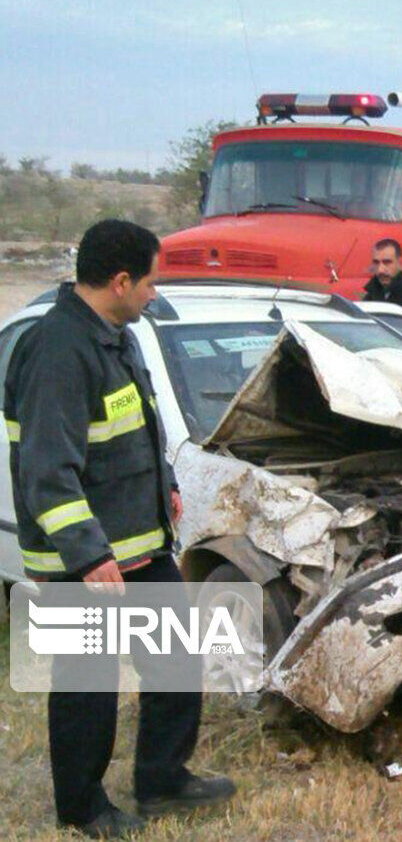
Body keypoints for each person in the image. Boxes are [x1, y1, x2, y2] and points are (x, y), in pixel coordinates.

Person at [4, 220, 235, 837]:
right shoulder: (57, 352)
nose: (155, 295)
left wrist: (169, 488)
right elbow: (47, 472)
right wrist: (85, 556)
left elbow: (133, 428)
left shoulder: (116, 336)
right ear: (121, 280)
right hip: (87, 564)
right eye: (151, 282)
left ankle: (162, 780)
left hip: (140, 549)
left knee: (177, 662)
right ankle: (81, 806)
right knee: (86, 687)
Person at [361, 238, 402, 309]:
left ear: (400, 262)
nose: (380, 270)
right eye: (376, 263)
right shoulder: (370, 297)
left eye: (387, 262)